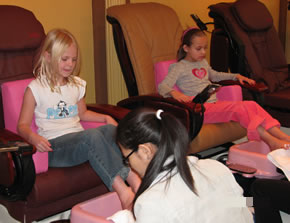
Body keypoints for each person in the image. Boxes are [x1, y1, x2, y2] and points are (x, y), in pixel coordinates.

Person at [17, 28, 140, 209]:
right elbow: (22, 125)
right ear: (48, 56)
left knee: (111, 130)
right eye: (64, 59)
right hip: (55, 148)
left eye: (73, 60)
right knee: (91, 137)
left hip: (78, 142)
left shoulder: (76, 85)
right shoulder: (35, 88)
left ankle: (135, 179)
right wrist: (33, 138)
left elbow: (82, 114)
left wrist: (105, 118)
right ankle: (123, 191)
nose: (70, 64)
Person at [111, 108, 254, 223]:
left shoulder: (150, 202)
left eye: (127, 159)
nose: (129, 165)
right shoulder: (216, 166)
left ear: (144, 151)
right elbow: (241, 203)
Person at [158, 28, 290, 151]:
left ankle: (282, 137)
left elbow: (215, 75)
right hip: (200, 110)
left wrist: (236, 76)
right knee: (240, 109)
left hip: (214, 105)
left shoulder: (202, 63)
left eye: (205, 48)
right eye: (198, 49)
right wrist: (174, 93)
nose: (203, 52)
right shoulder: (178, 67)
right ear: (186, 48)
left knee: (251, 105)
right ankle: (270, 141)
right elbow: (162, 87)